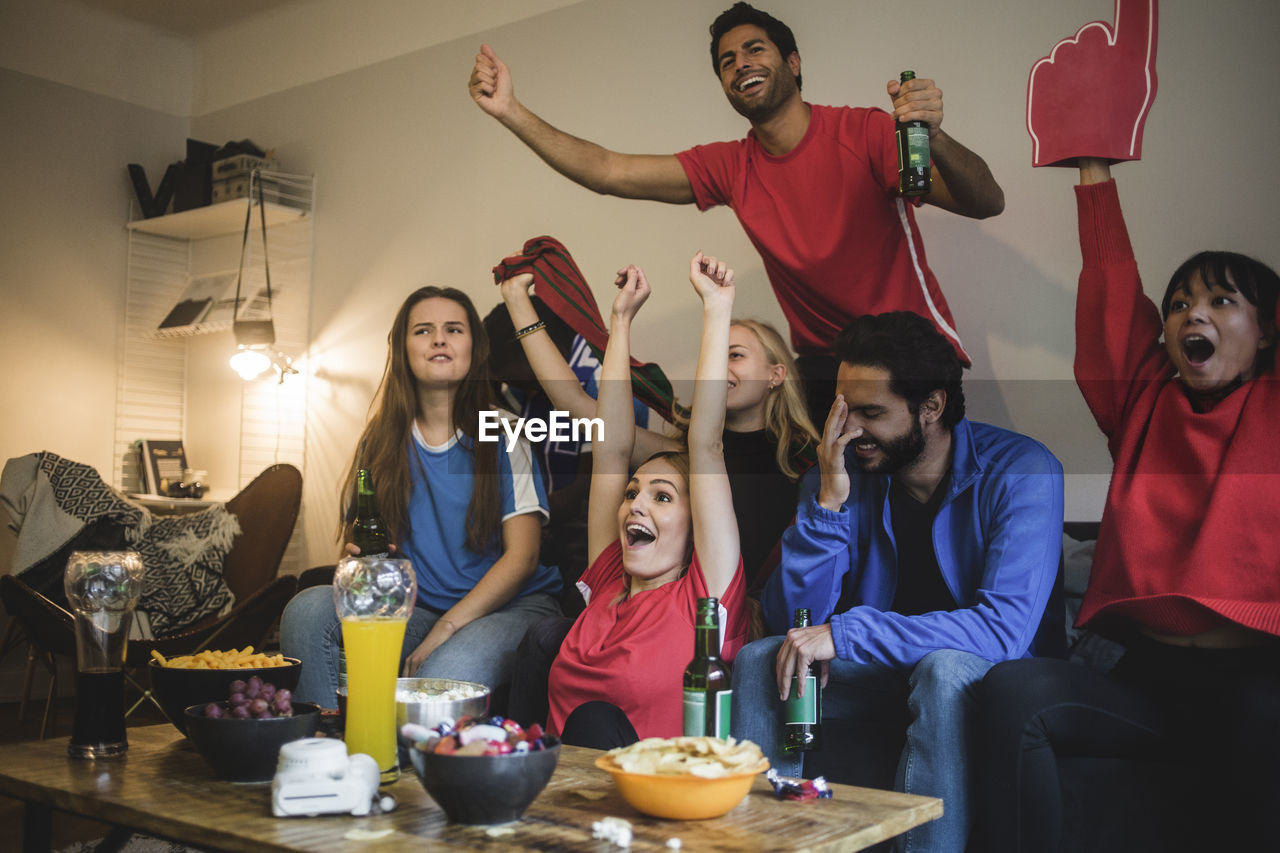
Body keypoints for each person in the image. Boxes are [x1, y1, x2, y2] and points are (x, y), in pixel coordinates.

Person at [468, 2, 1005, 422]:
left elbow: (986, 201)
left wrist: (937, 136)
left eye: (754, 49)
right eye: (727, 61)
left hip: (906, 349)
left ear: (792, 63)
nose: (741, 64)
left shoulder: (861, 133)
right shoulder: (732, 166)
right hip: (823, 366)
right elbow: (609, 170)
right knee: (839, 519)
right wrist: (511, 111)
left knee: (928, 503)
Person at [976, 160, 1280, 852]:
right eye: (1179, 305)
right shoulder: (1142, 401)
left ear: (1266, 332)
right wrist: (1093, 172)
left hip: (1258, 675)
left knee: (1263, 719)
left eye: (1222, 302)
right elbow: (1113, 295)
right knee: (1013, 692)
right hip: (1151, 674)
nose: (1193, 314)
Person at [732, 311, 1064, 853]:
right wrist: (829, 507)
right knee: (756, 660)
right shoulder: (840, 473)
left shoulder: (1022, 471)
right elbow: (791, 616)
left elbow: (1004, 632)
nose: (849, 429)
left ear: (930, 407)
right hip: (884, 674)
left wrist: (848, 633)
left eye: (871, 412)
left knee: (944, 667)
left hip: (989, 680)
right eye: (842, 408)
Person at [279, 286, 562, 707]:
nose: (439, 340)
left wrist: (444, 630)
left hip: (510, 610)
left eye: (453, 329)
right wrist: (360, 565)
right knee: (306, 610)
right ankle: (328, 751)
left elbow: (521, 560)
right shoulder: (380, 440)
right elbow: (356, 553)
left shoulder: (506, 433)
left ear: (474, 348)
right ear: (402, 348)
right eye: (423, 330)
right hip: (419, 610)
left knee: (436, 684)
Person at [499, 274, 816, 590]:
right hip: (684, 620)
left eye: (734, 354)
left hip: (756, 624)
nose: (718, 366)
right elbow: (574, 403)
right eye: (713, 355)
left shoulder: (809, 464)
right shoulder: (681, 460)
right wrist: (516, 299)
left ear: (775, 375)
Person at [545, 253, 748, 748]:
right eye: (634, 493)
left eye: (662, 497)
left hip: (648, 804)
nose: (635, 503)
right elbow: (610, 450)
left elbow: (705, 444)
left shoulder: (706, 600)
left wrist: (717, 309)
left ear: (694, 525)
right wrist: (620, 321)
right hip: (558, 794)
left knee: (594, 722)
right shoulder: (609, 576)